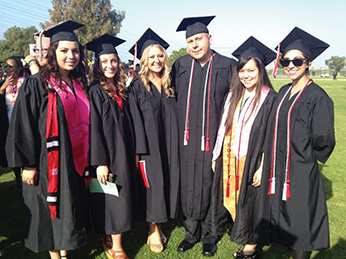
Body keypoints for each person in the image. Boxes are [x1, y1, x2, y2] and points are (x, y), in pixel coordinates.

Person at [5, 20, 90, 259]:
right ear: (53, 53)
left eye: (75, 51)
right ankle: (55, 255)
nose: (71, 56)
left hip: (72, 159)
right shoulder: (38, 83)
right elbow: (23, 125)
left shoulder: (78, 84)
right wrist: (29, 164)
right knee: (47, 208)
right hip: (45, 162)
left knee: (67, 206)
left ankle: (65, 250)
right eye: (64, 51)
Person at [257, 27, 335, 259]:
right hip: (278, 164)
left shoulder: (317, 97)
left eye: (297, 61)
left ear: (308, 63)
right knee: (281, 209)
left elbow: (324, 139)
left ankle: (300, 252)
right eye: (286, 61)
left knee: (301, 214)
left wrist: (305, 159)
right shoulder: (283, 91)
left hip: (301, 168)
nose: (290, 65)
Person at [207, 36, 277, 259]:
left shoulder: (269, 98)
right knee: (233, 199)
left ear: (261, 71)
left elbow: (272, 136)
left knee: (250, 203)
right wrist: (216, 154)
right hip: (229, 157)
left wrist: (263, 166)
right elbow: (223, 128)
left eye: (251, 70)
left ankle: (250, 246)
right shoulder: (233, 95)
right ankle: (243, 234)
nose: (246, 75)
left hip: (252, 159)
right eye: (242, 70)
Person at [172, 16, 237, 257]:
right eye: (189, 41)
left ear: (210, 39)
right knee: (189, 185)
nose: (194, 45)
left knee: (212, 187)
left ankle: (210, 234)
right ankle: (191, 233)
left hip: (215, 141)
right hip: (187, 142)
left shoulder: (227, 65)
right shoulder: (181, 65)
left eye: (198, 39)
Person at [128, 28, 180, 253]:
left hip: (171, 144)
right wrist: (138, 150)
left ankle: (163, 221)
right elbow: (134, 121)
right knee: (153, 188)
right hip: (149, 148)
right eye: (151, 57)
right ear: (144, 61)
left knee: (168, 182)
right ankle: (153, 230)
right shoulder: (137, 86)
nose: (156, 60)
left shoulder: (171, 84)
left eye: (160, 56)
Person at [86, 34, 136, 259]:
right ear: (97, 64)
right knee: (114, 196)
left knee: (118, 194)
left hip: (123, 150)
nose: (110, 66)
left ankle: (109, 237)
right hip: (107, 152)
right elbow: (94, 127)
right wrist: (101, 162)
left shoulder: (120, 88)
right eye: (104, 62)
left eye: (113, 61)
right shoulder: (96, 90)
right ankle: (116, 246)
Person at [0, 56, 26, 190]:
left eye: (11, 66)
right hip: (9, 124)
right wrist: (2, 88)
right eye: (6, 67)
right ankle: (18, 179)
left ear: (19, 69)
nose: (8, 69)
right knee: (13, 152)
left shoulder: (26, 83)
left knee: (25, 151)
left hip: (24, 124)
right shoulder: (3, 85)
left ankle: (28, 175)